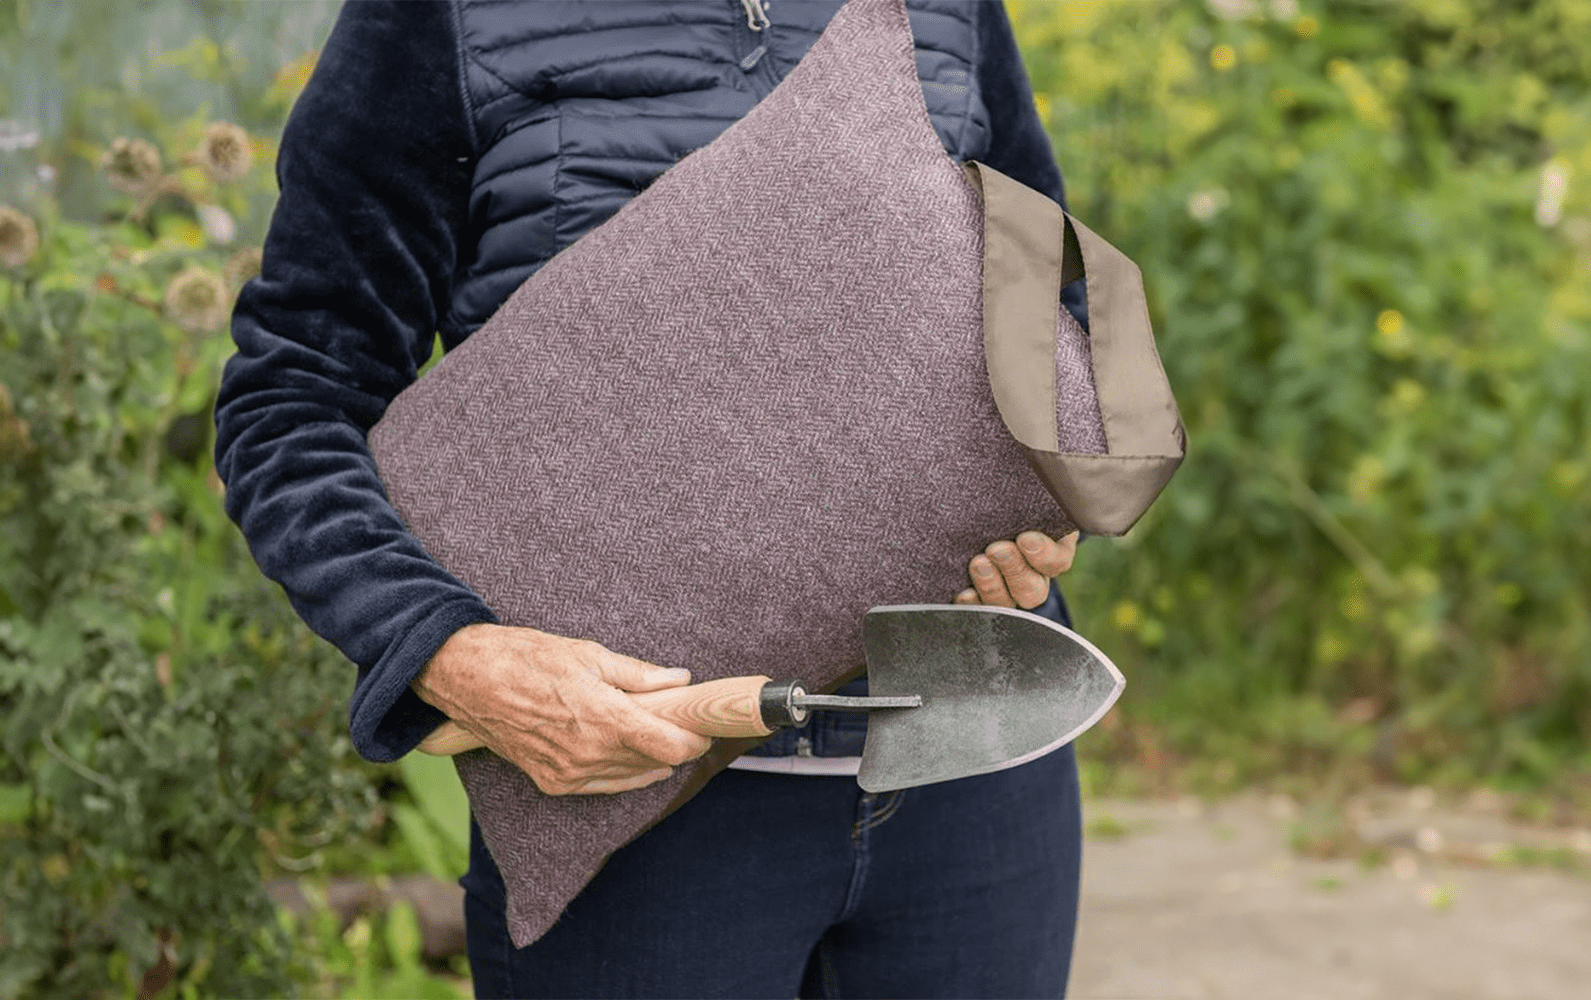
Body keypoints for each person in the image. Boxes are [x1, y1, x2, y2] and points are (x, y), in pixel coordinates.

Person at [212, 1, 1096, 996]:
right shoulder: (445, 15)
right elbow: (291, 398)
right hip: (628, 813)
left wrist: (1038, 499)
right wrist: (447, 651)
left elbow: (1044, 304)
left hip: (975, 782)